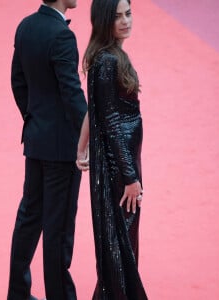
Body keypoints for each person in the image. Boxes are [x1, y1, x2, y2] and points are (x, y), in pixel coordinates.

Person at [7, 0, 87, 299]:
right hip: (63, 149)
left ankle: (17, 293)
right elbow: (72, 93)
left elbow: (18, 81)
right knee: (59, 229)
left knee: (29, 217)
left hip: (37, 141)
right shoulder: (62, 35)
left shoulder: (26, 26)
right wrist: (89, 137)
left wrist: (35, 120)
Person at [77, 0, 148, 299]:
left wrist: (82, 147)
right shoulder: (109, 61)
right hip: (120, 170)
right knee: (121, 250)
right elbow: (112, 121)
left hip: (118, 164)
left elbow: (94, 108)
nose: (125, 21)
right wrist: (131, 178)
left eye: (128, 14)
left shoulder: (106, 56)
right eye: (117, 16)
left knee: (117, 249)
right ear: (103, 19)